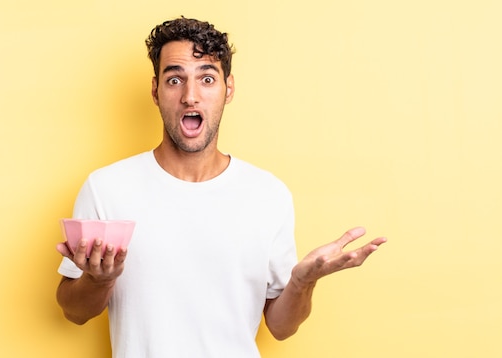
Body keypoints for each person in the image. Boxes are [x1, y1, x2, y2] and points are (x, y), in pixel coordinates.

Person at [55, 17, 387, 358]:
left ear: (228, 88)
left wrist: (303, 284)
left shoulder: (267, 195)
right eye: (175, 79)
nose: (190, 96)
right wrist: (98, 280)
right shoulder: (107, 188)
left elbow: (281, 327)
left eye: (207, 79)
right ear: (155, 90)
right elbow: (74, 312)